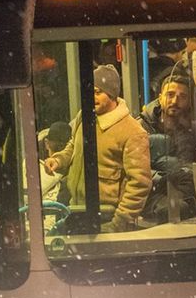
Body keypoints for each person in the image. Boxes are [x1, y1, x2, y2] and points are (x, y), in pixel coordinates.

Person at [43, 64, 151, 232]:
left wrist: (118, 223)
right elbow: (73, 146)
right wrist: (58, 160)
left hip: (108, 217)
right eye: (89, 92)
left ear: (112, 94)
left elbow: (140, 183)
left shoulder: (133, 132)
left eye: (98, 92)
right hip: (77, 210)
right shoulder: (84, 116)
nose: (92, 97)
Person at [138, 72, 196, 221]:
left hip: (181, 195)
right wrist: (161, 178)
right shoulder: (140, 127)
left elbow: (190, 167)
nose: (175, 101)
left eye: (182, 96)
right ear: (160, 98)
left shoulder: (193, 130)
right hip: (149, 194)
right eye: (170, 94)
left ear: (190, 102)